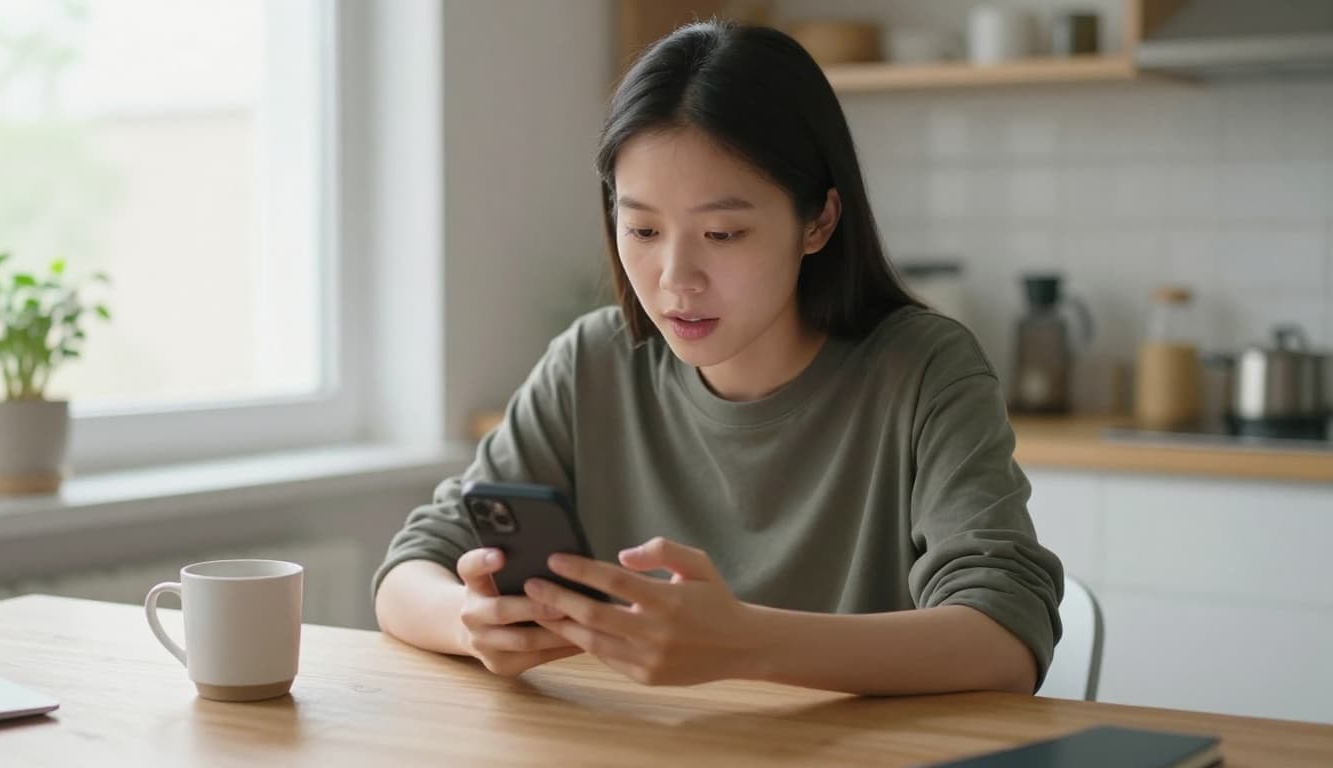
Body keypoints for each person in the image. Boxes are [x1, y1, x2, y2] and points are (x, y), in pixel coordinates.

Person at [373, 20, 1063, 696]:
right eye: (642, 229)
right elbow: (409, 570)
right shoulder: (592, 363)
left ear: (819, 220)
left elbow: (1004, 638)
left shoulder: (924, 370)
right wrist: (471, 623)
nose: (676, 279)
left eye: (723, 233)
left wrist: (746, 643)